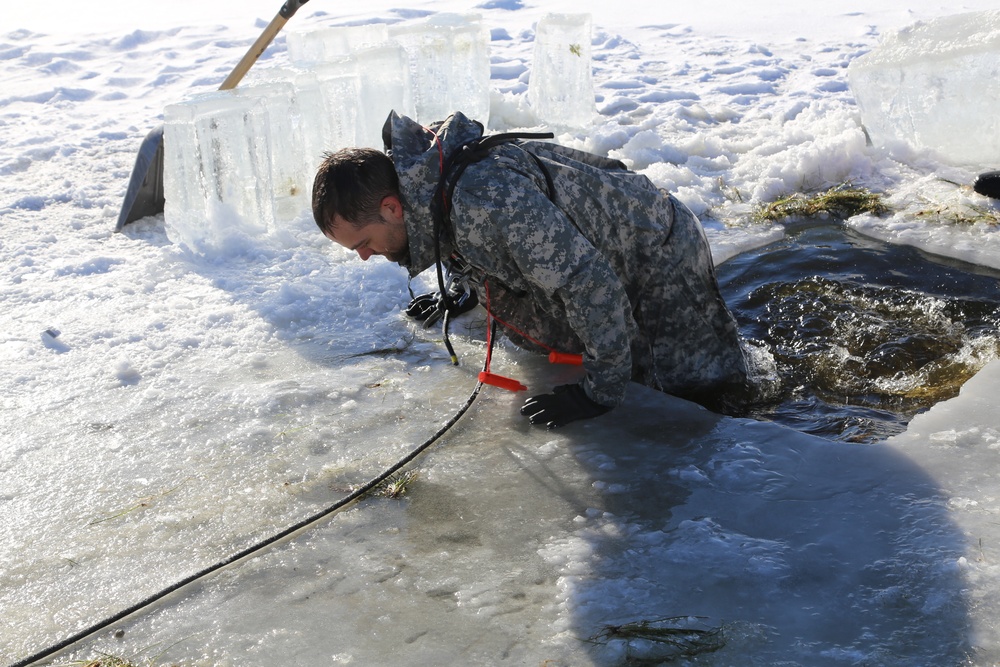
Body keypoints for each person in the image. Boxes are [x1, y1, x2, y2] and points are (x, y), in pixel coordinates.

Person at [312, 111, 751, 428]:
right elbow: (458, 236)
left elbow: (589, 286)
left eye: (363, 243)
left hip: (657, 250)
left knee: (703, 391)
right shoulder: (425, 187)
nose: (365, 256)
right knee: (638, 363)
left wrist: (598, 392)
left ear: (391, 207)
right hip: (605, 250)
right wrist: (465, 289)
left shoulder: (489, 201)